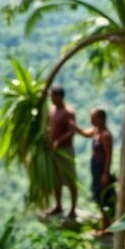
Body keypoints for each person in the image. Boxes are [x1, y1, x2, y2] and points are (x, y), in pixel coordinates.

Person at [76, 107, 115, 234]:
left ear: (101, 119)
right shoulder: (96, 131)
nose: (91, 120)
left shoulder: (105, 136)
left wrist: (105, 173)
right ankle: (104, 226)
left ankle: (107, 227)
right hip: (95, 168)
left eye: (93, 118)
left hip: (101, 169)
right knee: (99, 197)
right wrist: (73, 127)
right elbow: (85, 133)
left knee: (104, 198)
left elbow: (109, 155)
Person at [46, 85, 78, 219]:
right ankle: (58, 206)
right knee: (56, 179)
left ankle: (72, 209)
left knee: (70, 179)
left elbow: (72, 130)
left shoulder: (68, 112)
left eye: (52, 96)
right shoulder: (52, 110)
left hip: (65, 150)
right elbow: (49, 126)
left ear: (59, 97)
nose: (51, 99)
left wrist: (59, 140)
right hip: (54, 151)